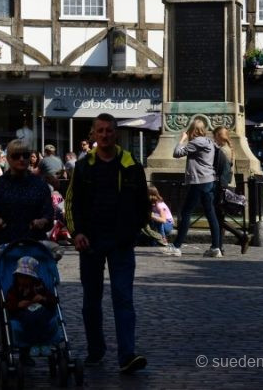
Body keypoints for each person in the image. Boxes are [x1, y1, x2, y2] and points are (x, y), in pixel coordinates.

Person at [65, 113, 149, 374]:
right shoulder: (84, 165)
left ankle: (127, 355)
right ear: (93, 134)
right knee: (92, 300)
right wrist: (76, 232)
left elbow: (143, 203)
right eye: (99, 131)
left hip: (121, 242)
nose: (104, 135)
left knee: (123, 298)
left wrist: (133, 231)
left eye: (109, 131)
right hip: (90, 241)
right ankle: (95, 350)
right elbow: (72, 202)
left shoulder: (131, 164)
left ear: (115, 133)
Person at [0, 140, 53, 292]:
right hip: (5, 240)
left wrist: (42, 221)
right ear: (8, 158)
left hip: (32, 241)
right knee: (7, 287)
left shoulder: (39, 184)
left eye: (25, 155)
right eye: (16, 155)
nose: (21, 159)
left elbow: (48, 213)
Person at [166, 117, 222, 257]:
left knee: (186, 212)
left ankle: (177, 246)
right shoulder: (209, 141)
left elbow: (177, 153)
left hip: (198, 181)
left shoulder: (196, 142)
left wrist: (182, 139)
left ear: (193, 130)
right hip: (209, 180)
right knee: (211, 214)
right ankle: (216, 247)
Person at [5, 256, 60, 364]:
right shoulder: (15, 289)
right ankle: (33, 344)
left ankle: (43, 343)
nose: (24, 280)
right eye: (21, 277)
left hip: (41, 311)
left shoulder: (39, 286)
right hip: (23, 313)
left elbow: (53, 300)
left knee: (44, 315)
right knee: (29, 318)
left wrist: (43, 298)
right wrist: (18, 305)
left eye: (27, 277)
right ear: (17, 277)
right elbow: (9, 305)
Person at [212, 126, 250, 254]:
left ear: (217, 136)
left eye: (214, 136)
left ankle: (241, 237)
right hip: (230, 184)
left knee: (218, 218)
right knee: (220, 217)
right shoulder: (229, 149)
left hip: (223, 186)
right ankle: (220, 247)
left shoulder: (222, 150)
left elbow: (219, 169)